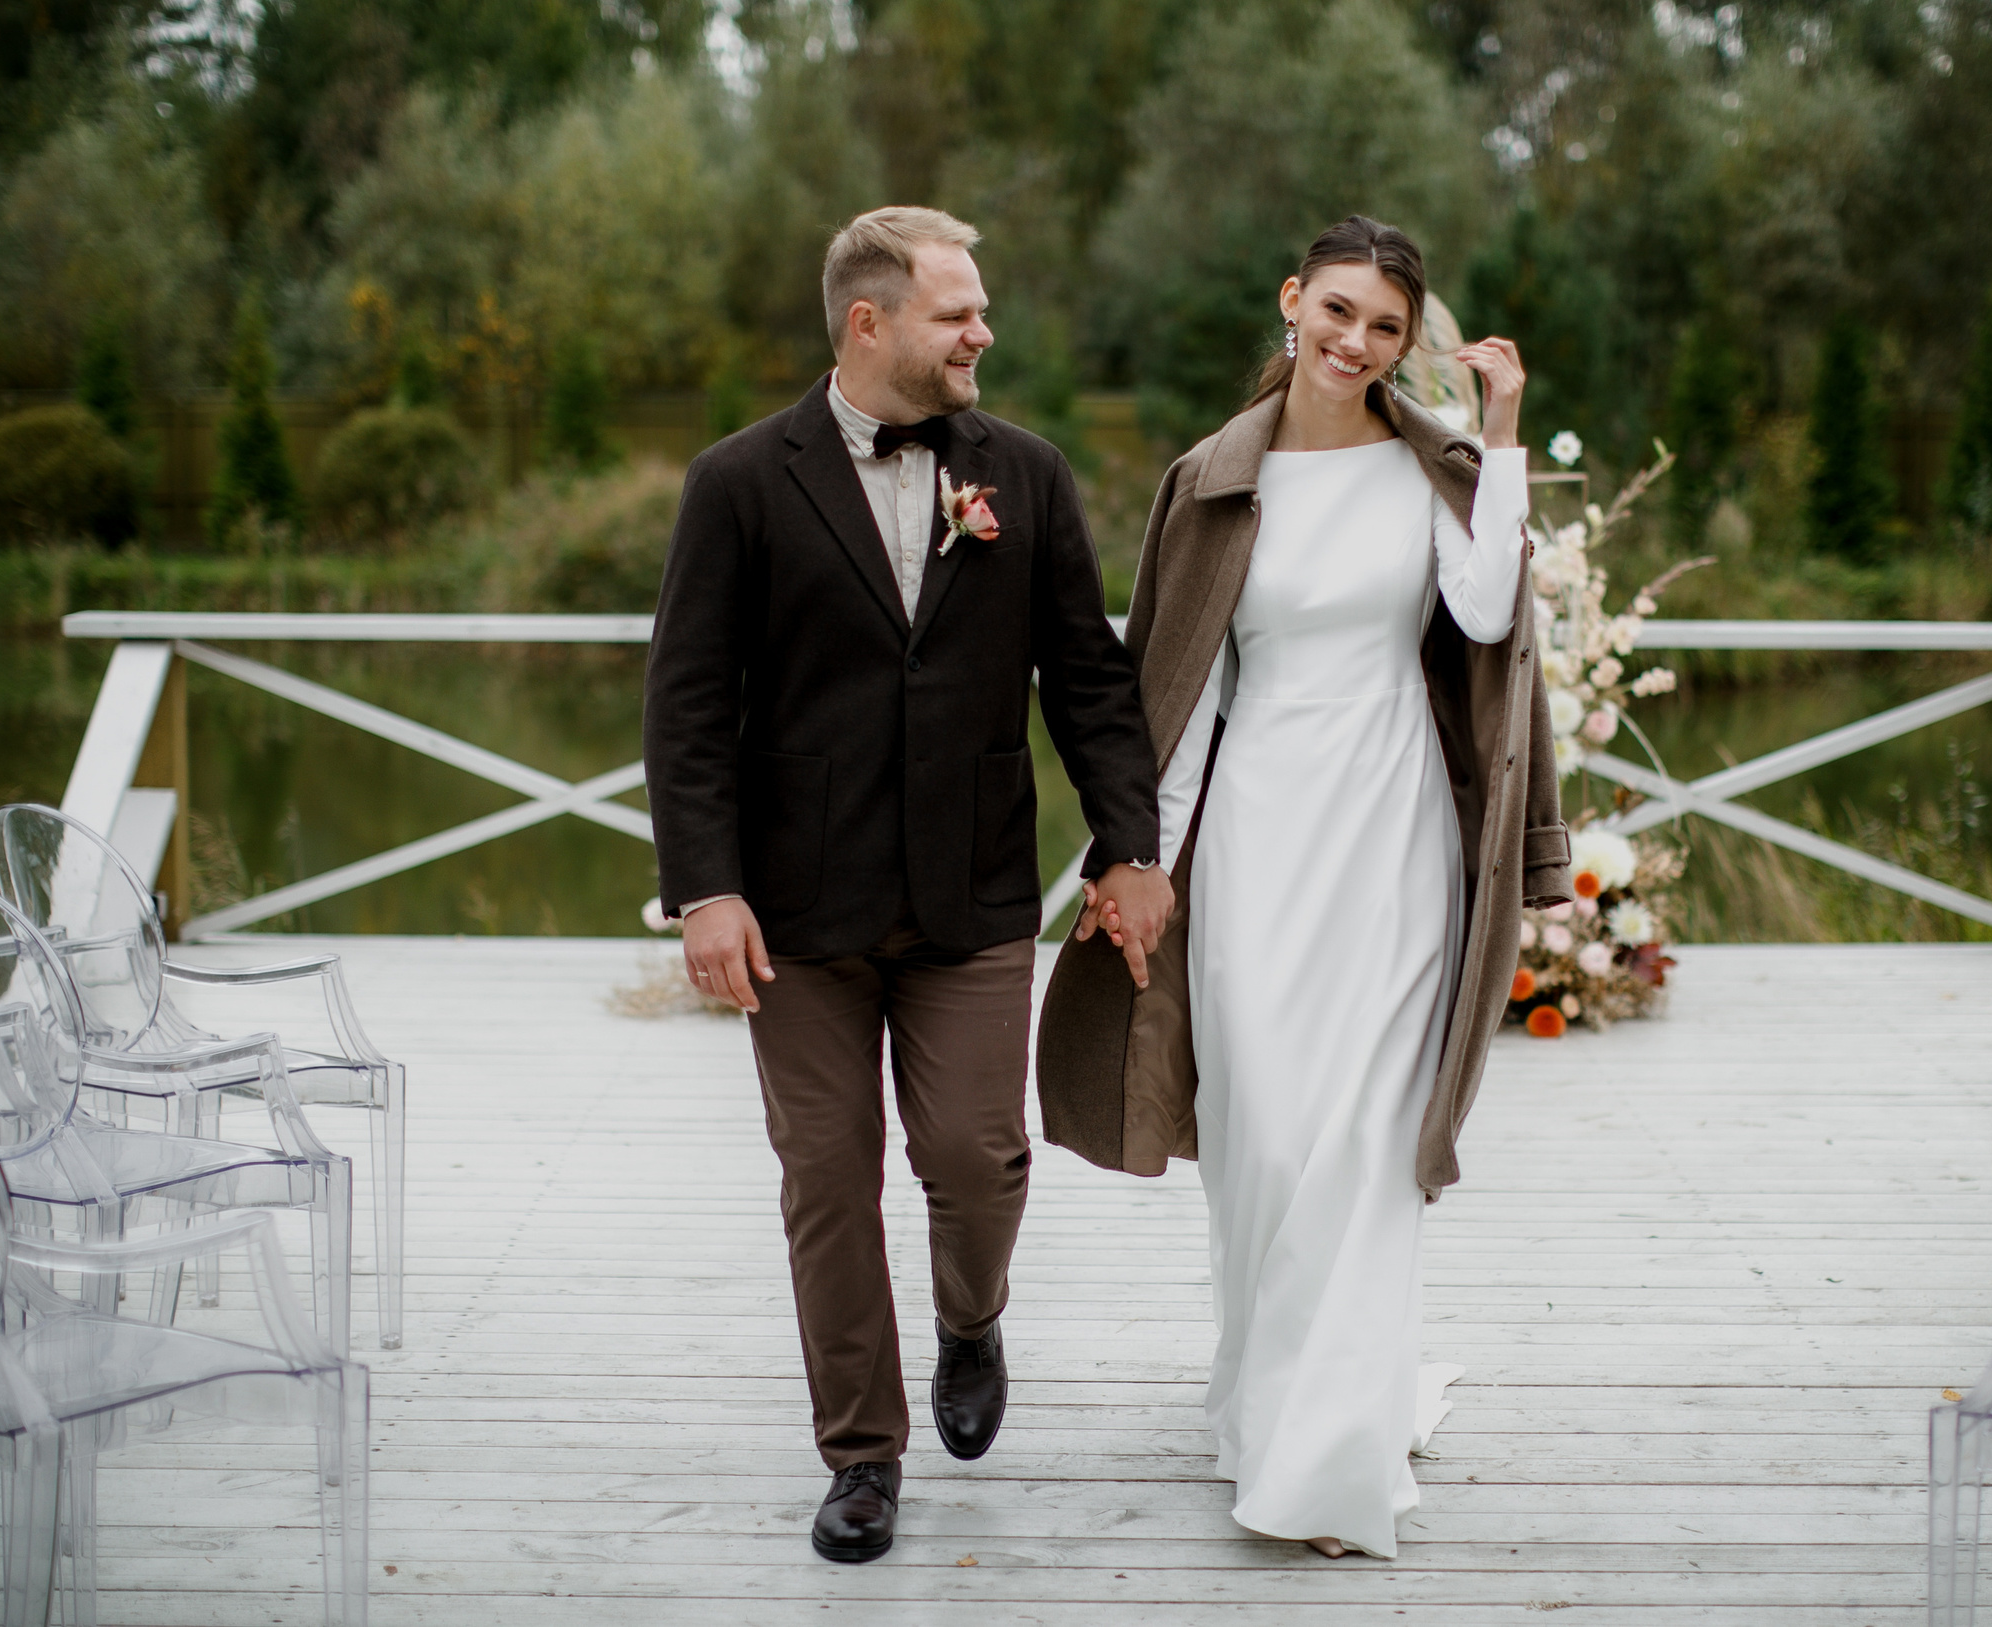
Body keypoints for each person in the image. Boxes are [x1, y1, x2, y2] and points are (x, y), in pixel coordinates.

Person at [1037, 215, 1571, 1559]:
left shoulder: (1436, 466)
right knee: (1268, 1142)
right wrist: (1138, 864)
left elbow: (1492, 620)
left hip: (1396, 836)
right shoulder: (1214, 477)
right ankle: (1274, 1398)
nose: (1354, 342)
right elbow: (1179, 686)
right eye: (1336, 312)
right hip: (1258, 833)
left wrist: (1500, 426)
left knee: (1366, 1147)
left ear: (1411, 342)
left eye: (1386, 326)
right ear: (1291, 302)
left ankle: (1331, 1463)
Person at [643, 206, 1172, 1563]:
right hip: (796, 912)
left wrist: (1128, 848)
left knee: (975, 1161)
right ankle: (862, 1455)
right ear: (868, 323)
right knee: (827, 1176)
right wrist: (705, 887)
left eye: (981, 309)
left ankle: (971, 1318)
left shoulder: (1028, 476)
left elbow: (1090, 681)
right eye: (958, 314)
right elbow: (690, 703)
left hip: (975, 894)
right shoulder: (740, 483)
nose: (983, 332)